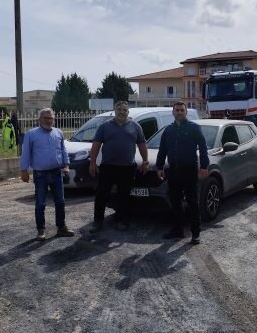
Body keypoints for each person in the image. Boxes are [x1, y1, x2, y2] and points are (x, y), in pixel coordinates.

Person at [88, 101, 150, 232]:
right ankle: (98, 222)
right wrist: (92, 163)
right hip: (107, 167)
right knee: (101, 195)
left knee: (124, 196)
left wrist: (145, 162)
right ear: (114, 111)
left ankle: (121, 221)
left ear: (128, 112)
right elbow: (96, 145)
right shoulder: (104, 126)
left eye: (124, 110)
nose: (122, 112)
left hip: (127, 168)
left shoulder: (135, 126)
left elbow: (142, 145)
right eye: (119, 109)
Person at [156, 101, 209, 245]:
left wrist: (204, 166)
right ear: (173, 112)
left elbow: (203, 147)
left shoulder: (194, 128)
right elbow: (162, 149)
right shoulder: (168, 130)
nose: (179, 112)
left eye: (181, 110)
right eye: (177, 110)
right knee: (175, 201)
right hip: (173, 170)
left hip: (190, 170)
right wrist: (159, 167)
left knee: (192, 202)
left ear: (186, 112)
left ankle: (196, 234)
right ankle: (178, 230)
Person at [20, 108, 75, 241]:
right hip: (40, 175)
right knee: (40, 203)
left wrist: (66, 165)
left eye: (51, 118)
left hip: (56, 173)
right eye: (45, 118)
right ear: (40, 119)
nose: (48, 120)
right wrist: (24, 170)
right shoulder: (31, 134)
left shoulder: (58, 132)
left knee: (60, 202)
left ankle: (61, 227)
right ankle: (41, 230)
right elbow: (25, 153)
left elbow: (63, 150)